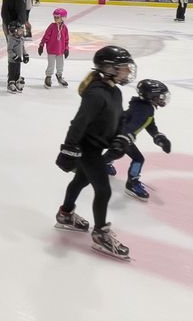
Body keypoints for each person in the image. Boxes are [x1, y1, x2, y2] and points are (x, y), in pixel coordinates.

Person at [53, 45, 136, 261]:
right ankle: (100, 233)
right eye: (124, 67)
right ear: (109, 69)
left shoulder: (115, 91)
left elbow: (119, 118)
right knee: (104, 190)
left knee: (80, 181)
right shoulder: (96, 94)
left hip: (96, 148)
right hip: (86, 149)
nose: (128, 71)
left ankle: (65, 214)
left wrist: (120, 137)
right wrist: (69, 149)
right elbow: (78, 123)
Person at [105, 79, 172, 201]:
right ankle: (132, 184)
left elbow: (149, 124)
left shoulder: (145, 108)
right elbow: (132, 125)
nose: (162, 99)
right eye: (160, 97)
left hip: (119, 134)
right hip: (121, 135)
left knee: (114, 153)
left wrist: (158, 137)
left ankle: (102, 165)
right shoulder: (143, 110)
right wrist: (123, 139)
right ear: (151, 96)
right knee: (138, 159)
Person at [0, 0, 29, 93]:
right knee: (13, 52)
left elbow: (22, 10)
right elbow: (4, 14)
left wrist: (25, 22)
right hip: (12, 28)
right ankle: (11, 79)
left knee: (19, 51)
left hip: (19, 27)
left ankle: (16, 77)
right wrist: (10, 29)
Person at [39, 7, 71, 88]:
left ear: (63, 18)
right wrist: (41, 45)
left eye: (57, 17)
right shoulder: (52, 26)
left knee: (60, 64)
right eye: (55, 17)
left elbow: (66, 39)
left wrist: (66, 48)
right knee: (51, 65)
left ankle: (59, 76)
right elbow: (46, 36)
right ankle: (48, 76)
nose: (55, 18)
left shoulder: (65, 28)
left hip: (61, 50)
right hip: (51, 49)